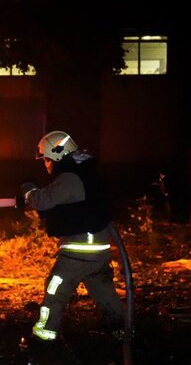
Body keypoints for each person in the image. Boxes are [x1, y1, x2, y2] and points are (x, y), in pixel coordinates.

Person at [20, 131, 124, 341]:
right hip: (98, 249)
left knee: (55, 289)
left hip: (80, 251)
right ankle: (123, 332)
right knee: (105, 295)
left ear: (57, 155)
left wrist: (28, 191)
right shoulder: (86, 172)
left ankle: (43, 337)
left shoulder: (70, 176)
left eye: (47, 159)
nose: (46, 165)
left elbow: (45, 200)